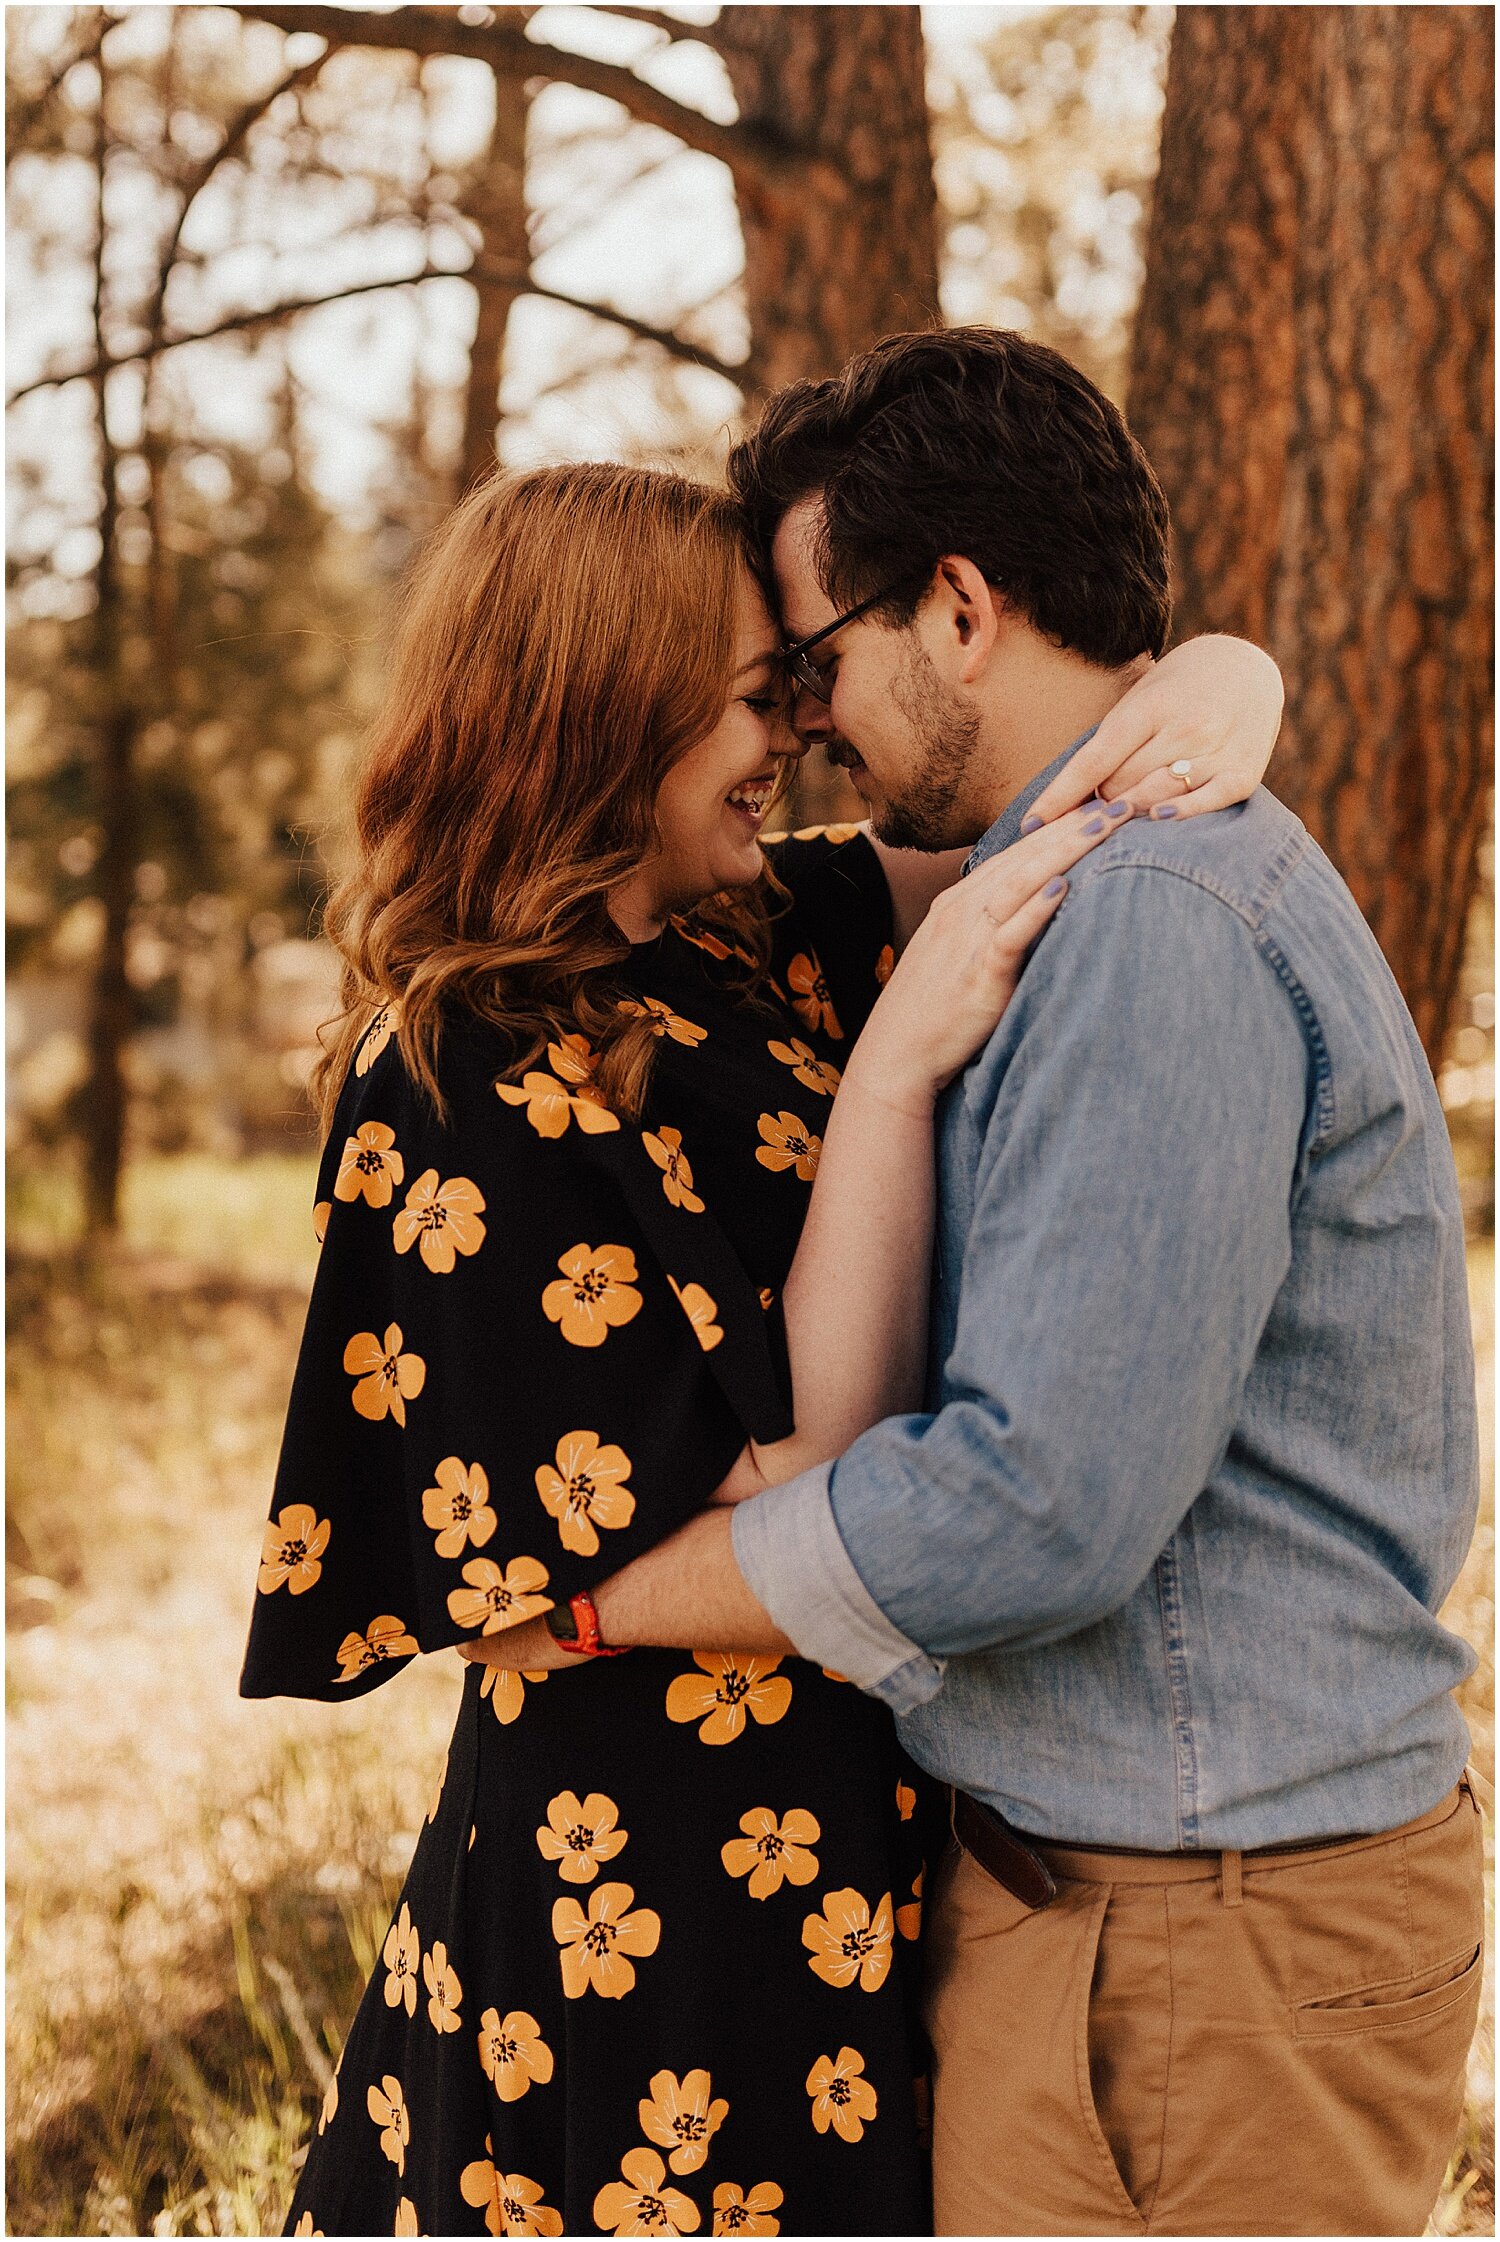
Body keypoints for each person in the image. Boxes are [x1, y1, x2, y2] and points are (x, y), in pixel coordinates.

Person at [477, 331, 1485, 2240]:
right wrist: (1221, 668)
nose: (806, 727)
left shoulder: (1147, 930)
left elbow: (1036, 1510)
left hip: (1204, 1931)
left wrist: (607, 1604)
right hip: (1144, 1900)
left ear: (957, 604)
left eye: (816, 663)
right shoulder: (1070, 880)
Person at [241, 457, 1283, 2239]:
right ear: (608, 714)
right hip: (648, 1880)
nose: (791, 735)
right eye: (746, 699)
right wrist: (893, 1074)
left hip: (845, 1808)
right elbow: (802, 1440)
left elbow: (1036, 800)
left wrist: (1218, 676)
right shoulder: (463, 1069)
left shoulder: (732, 937)